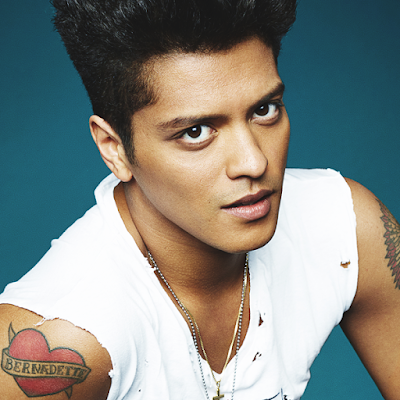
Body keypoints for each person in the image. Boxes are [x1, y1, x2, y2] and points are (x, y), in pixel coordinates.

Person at [0, 0, 399, 399]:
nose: (254, 162)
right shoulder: (69, 336)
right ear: (114, 149)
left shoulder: (346, 228)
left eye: (264, 110)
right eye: (195, 132)